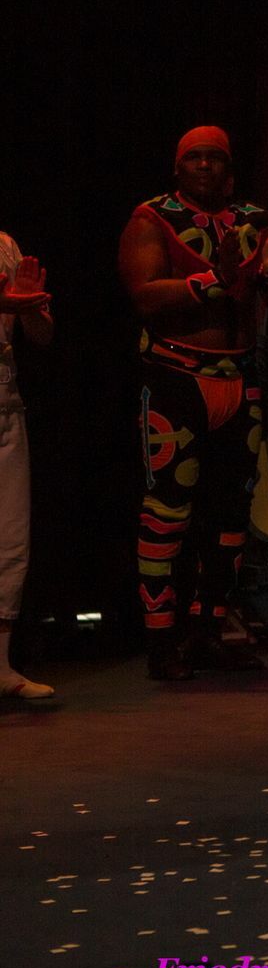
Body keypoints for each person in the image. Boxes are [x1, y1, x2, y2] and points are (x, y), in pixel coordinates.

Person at [118, 127, 268, 680]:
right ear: (178, 167)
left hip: (240, 378)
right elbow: (145, 295)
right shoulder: (151, 218)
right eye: (194, 157)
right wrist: (218, 279)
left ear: (229, 168)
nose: (204, 166)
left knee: (230, 515)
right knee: (166, 511)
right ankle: (161, 641)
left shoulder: (253, 220)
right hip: (176, 378)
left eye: (215, 158)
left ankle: (209, 632)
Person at [0, 231, 54, 699]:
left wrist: (29, 308)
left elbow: (42, 335)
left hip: (6, 406)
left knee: (10, 541)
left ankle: (0, 666)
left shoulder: (6, 245)